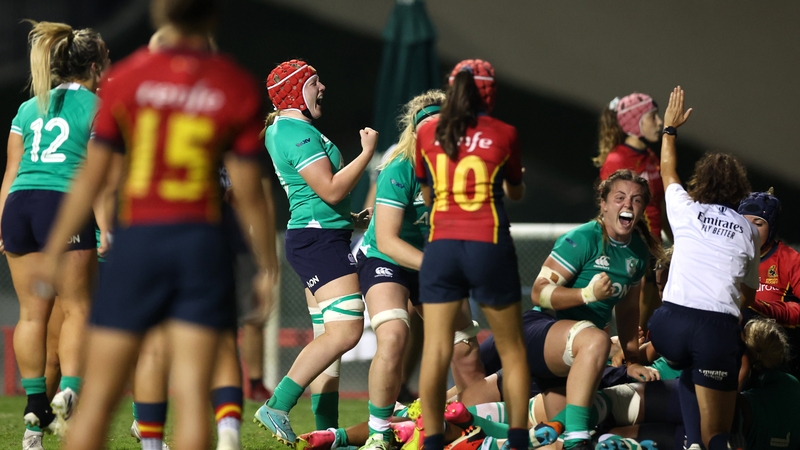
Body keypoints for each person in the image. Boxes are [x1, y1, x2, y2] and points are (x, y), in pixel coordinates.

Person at [31, 0, 279, 447]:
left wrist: (51, 253)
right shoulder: (233, 84)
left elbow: (93, 179)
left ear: (158, 15)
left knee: (100, 397)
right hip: (201, 242)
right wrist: (267, 265)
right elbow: (248, 188)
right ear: (213, 17)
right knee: (190, 395)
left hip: (139, 239)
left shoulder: (128, 78)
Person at [254, 58, 377, 446]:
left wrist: (352, 219)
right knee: (347, 330)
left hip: (322, 235)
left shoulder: (292, 129)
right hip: (317, 240)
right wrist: (366, 153)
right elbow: (331, 190)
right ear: (296, 91)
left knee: (329, 339)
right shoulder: (293, 130)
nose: (322, 88)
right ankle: (276, 406)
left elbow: (320, 197)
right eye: (315, 82)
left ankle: (327, 435)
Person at [0, 20, 109, 448]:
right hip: (60, 204)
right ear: (96, 68)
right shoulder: (99, 109)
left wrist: (3, 222)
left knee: (31, 315)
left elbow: (11, 171)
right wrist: (106, 226)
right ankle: (69, 391)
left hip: (20, 207)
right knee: (78, 308)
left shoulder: (29, 108)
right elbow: (96, 175)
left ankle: (34, 409)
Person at [412, 58, 528, 450]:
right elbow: (515, 192)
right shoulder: (505, 133)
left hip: (442, 247)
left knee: (436, 349)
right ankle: (517, 440)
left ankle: (431, 442)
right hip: (488, 244)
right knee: (511, 349)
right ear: (489, 92)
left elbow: (429, 198)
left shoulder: (427, 132)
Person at [647, 87, 758, 450]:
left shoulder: (686, 210)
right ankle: (705, 442)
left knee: (688, 367)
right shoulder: (747, 229)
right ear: (739, 190)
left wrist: (669, 129)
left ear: (702, 182)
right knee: (720, 438)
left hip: (668, 328)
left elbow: (667, 170)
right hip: (713, 331)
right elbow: (747, 292)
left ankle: (691, 442)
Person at [526, 169, 660, 450]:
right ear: (604, 204)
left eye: (636, 200)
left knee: (548, 431)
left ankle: (492, 439)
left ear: (643, 209)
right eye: (620, 197)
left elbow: (626, 311)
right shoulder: (582, 239)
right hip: (542, 331)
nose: (627, 205)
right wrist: (587, 294)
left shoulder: (636, 250)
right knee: (596, 338)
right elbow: (539, 293)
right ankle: (579, 442)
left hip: (581, 354)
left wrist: (633, 360)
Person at [594, 93, 670, 333]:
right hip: (632, 248)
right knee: (630, 324)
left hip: (653, 247)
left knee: (648, 323)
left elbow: (659, 204)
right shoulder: (617, 159)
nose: (659, 123)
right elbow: (608, 209)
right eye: (653, 117)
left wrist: (677, 235)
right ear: (635, 122)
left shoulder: (649, 157)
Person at [738, 189, 800, 378]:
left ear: (772, 228)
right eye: (744, 223)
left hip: (774, 350)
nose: (750, 230)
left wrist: (761, 308)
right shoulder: (726, 253)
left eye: (758, 224)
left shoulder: (790, 259)